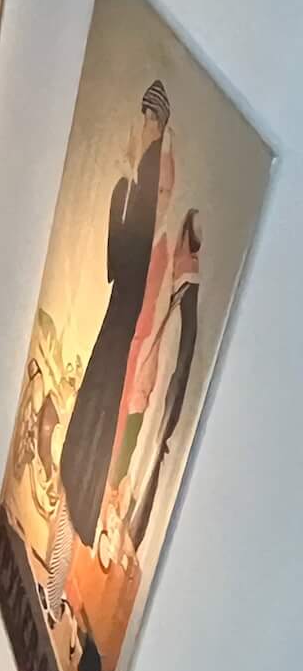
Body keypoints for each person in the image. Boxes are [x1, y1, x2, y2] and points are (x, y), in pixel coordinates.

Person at [58, 79, 170, 545]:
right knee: (98, 395)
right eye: (143, 118)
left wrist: (123, 190)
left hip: (127, 313)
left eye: (150, 120)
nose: (143, 127)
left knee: (105, 397)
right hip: (121, 308)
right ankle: (77, 483)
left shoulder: (149, 179)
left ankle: (83, 495)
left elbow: (124, 256)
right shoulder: (141, 179)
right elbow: (118, 262)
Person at [126, 208, 201, 549]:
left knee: (146, 465)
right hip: (155, 411)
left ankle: (130, 536)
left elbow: (170, 364)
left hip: (159, 415)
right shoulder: (181, 303)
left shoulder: (185, 305)